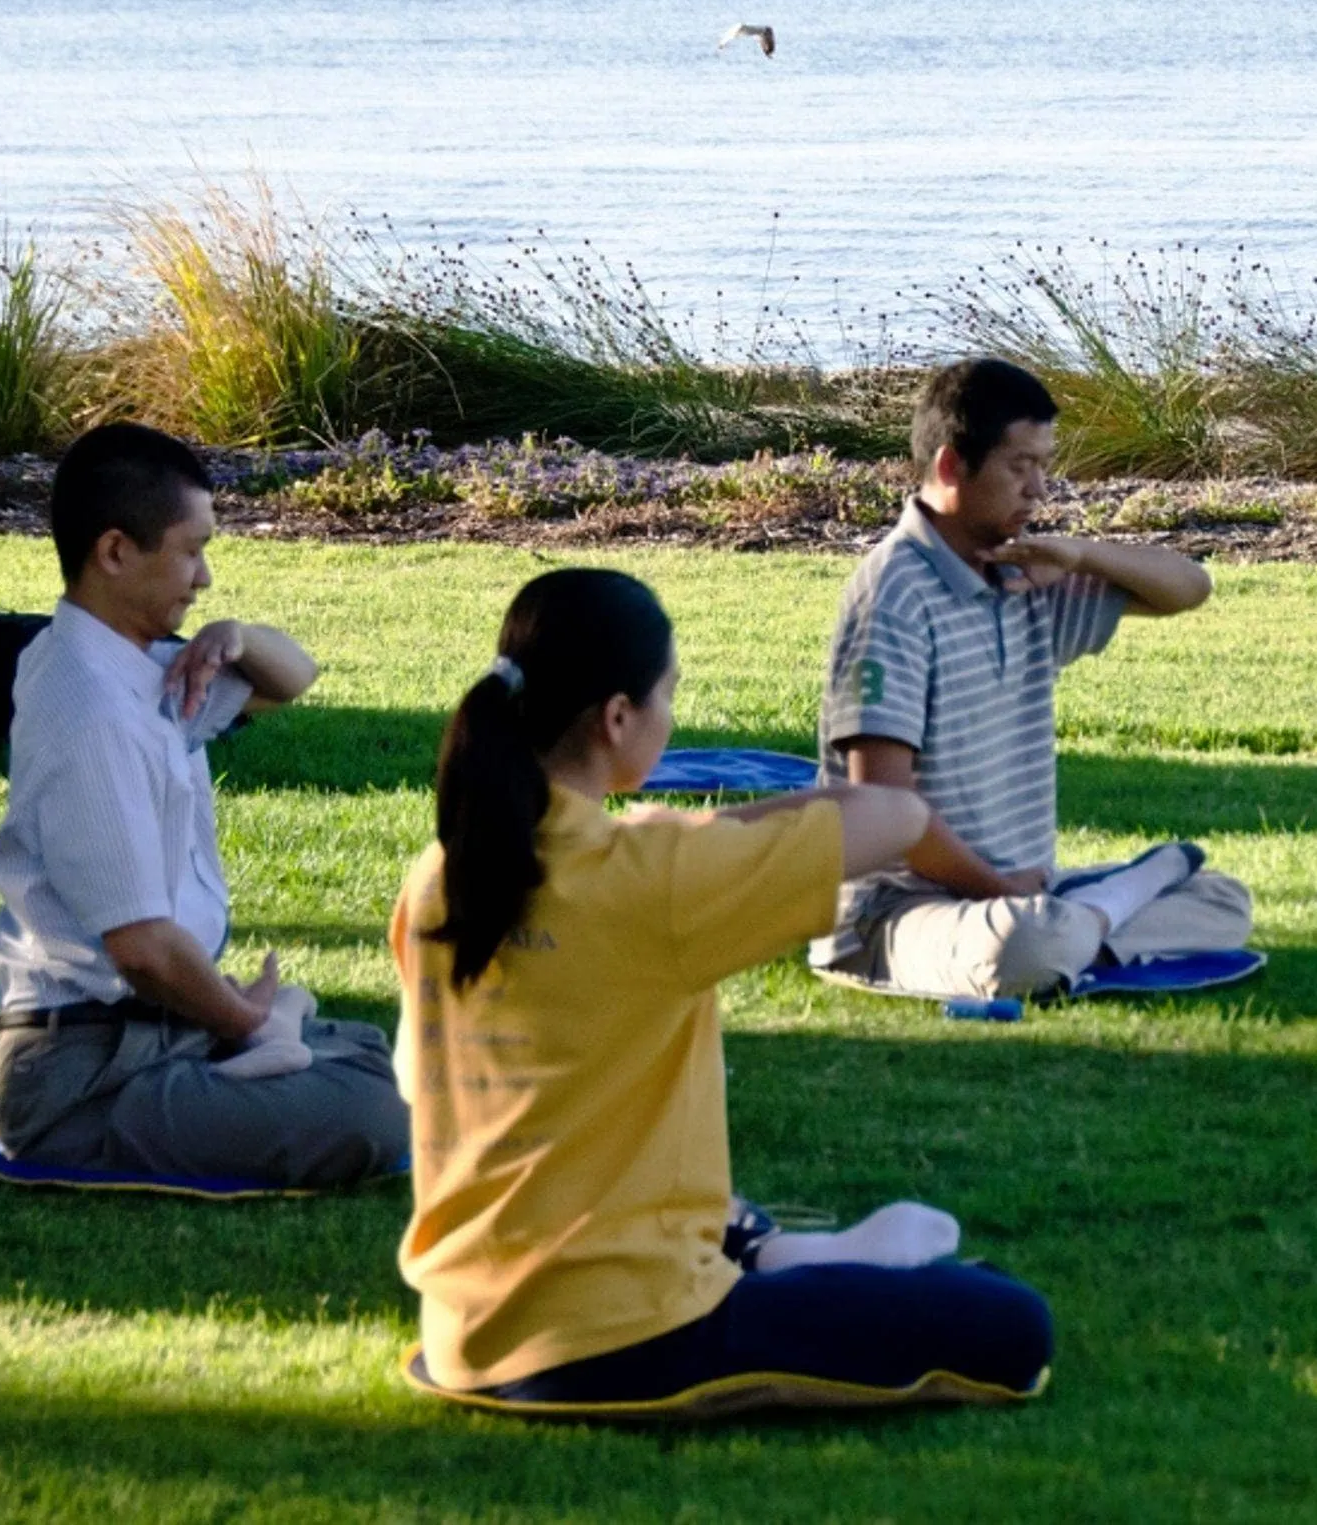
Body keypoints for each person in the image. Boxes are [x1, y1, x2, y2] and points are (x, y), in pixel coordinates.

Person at [391, 567, 1053, 1415]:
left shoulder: (444, 872)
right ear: (618, 717)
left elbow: (417, 1078)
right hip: (625, 1338)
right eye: (669, 693)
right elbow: (895, 813)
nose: (672, 715)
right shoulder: (657, 879)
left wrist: (675, 834)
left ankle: (779, 1251)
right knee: (1009, 1322)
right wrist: (706, 830)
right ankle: (822, 1261)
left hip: (466, 1331)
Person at [0, 422, 408, 1186]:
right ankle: (257, 1050)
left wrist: (233, 639)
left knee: (372, 1055)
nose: (204, 576)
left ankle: (262, 1050)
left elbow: (294, 678)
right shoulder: (91, 711)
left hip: (153, 1037)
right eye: (191, 549)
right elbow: (141, 949)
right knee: (375, 1108)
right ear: (115, 552)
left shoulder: (138, 663)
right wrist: (244, 1021)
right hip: (86, 1083)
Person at [812, 358, 1253, 1002]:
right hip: (897, 913)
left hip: (1021, 893)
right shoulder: (894, 595)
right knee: (1022, 945)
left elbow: (1188, 588)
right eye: (1020, 467)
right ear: (950, 466)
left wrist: (1080, 553)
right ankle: (1092, 917)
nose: (1039, 489)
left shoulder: (1024, 578)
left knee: (1223, 901)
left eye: (1045, 466)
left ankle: (1079, 920)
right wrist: (1001, 891)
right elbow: (883, 805)